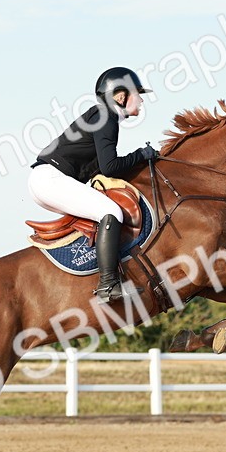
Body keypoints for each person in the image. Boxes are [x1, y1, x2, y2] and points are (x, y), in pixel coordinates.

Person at [30, 66, 158, 302]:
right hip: (50, 180)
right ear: (120, 96)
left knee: (103, 210)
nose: (141, 100)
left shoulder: (102, 115)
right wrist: (141, 155)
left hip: (48, 180)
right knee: (111, 212)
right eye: (137, 94)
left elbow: (101, 168)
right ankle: (108, 285)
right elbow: (110, 167)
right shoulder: (105, 117)